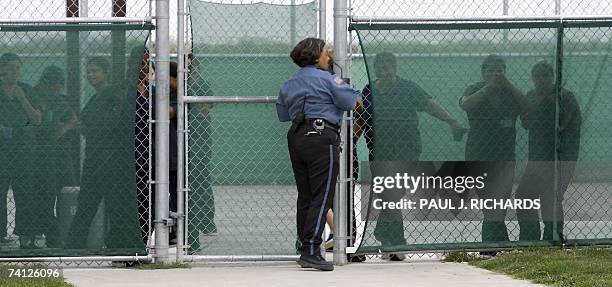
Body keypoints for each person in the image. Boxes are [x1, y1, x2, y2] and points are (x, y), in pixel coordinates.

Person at [355, 52, 464, 261]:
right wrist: (351, 139)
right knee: (390, 194)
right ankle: (397, 243)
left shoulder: (407, 88)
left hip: (408, 150)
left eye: (388, 64)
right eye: (379, 64)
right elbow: (361, 118)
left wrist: (451, 121)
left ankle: (387, 237)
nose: (383, 68)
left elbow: (430, 105)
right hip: (379, 152)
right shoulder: (369, 90)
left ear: (395, 67)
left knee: (392, 194)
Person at [277, 37, 361, 271]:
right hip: (322, 136)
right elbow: (351, 101)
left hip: (297, 137)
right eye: (326, 53)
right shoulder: (328, 79)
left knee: (305, 196)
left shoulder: (290, 82)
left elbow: (283, 114)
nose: (328, 57)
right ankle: (313, 250)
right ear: (316, 56)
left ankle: (305, 246)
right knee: (323, 195)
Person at [66, 57, 143, 250]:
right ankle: (74, 246)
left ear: (105, 73)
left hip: (109, 161)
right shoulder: (96, 97)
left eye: (95, 71)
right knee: (86, 205)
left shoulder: (113, 95)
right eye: (89, 71)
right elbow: (92, 127)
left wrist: (84, 127)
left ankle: (116, 245)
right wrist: (80, 127)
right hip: (95, 159)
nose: (91, 75)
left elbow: (108, 126)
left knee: (110, 206)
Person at [459, 54, 528, 253]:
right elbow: (465, 104)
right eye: (491, 70)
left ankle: (492, 246)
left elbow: (527, 108)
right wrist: (489, 87)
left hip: (505, 156)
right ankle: (494, 246)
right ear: (483, 73)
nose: (496, 74)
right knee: (489, 201)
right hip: (478, 155)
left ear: (505, 72)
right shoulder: (475, 88)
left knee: (500, 201)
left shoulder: (510, 93)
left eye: (500, 70)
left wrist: (509, 85)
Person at [516, 60, 581, 241]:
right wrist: (539, 101)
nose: (542, 79)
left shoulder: (565, 96)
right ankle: (530, 237)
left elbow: (565, 124)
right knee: (524, 195)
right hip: (538, 157)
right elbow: (526, 122)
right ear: (532, 78)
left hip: (561, 156)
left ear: (553, 77)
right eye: (538, 75)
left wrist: (548, 101)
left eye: (546, 75)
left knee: (551, 196)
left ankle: (553, 237)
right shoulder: (531, 96)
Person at [26, 66, 78, 248]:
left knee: (66, 194)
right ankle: (51, 234)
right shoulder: (32, 97)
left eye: (58, 86)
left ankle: (65, 234)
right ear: (43, 83)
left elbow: (73, 120)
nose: (54, 90)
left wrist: (61, 129)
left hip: (59, 155)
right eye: (51, 85)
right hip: (38, 155)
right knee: (44, 198)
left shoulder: (59, 102)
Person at [0, 53, 41, 246]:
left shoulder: (26, 90)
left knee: (24, 191)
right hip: (2, 150)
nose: (14, 71)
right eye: (10, 67)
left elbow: (37, 118)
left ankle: (25, 234)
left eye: (17, 67)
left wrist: (22, 98)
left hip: (23, 150)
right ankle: (1, 234)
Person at [185, 53, 217, 253]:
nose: (191, 71)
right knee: (190, 181)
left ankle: (207, 221)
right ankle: (193, 224)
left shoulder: (202, 85)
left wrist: (193, 91)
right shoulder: (181, 84)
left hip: (201, 138)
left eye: (193, 67)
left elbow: (204, 109)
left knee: (202, 179)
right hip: (185, 137)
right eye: (188, 67)